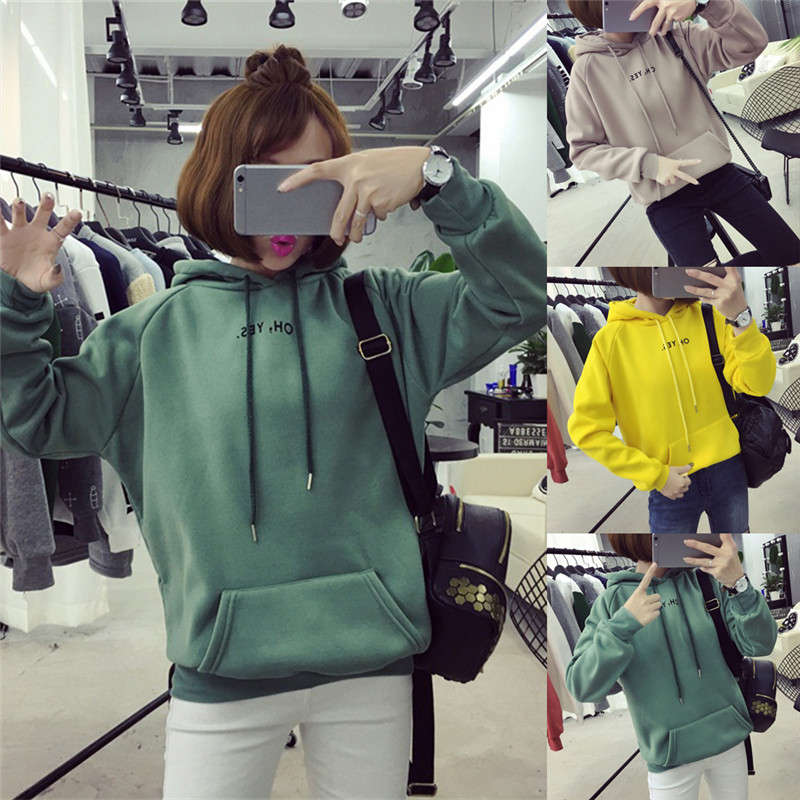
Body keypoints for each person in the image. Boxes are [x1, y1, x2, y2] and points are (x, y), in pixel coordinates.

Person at [0, 46, 546, 799]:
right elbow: (35, 421)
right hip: (221, 675)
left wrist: (438, 179)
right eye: (264, 179)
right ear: (220, 181)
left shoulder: (386, 309)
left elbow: (521, 297)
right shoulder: (150, 333)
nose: (289, 203)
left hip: (371, 667)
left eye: (314, 179)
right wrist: (17, 301)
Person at [564, 0, 800, 267]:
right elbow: (583, 150)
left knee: (793, 256)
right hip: (664, 196)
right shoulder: (587, 71)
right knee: (707, 281)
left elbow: (750, 45)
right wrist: (647, 164)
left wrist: (705, 4)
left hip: (719, 174)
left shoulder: (677, 36)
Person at [566, 533, 778, 800]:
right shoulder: (613, 601)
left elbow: (761, 644)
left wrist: (740, 585)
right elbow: (582, 687)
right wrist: (621, 626)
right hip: (670, 758)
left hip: (729, 739)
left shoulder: (707, 581)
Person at [567, 267, 775, 534]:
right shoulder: (610, 342)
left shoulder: (709, 317)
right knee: (673, 557)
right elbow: (587, 430)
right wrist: (654, 474)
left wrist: (742, 319)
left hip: (729, 469)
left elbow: (758, 385)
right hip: (668, 482)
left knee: (731, 548)